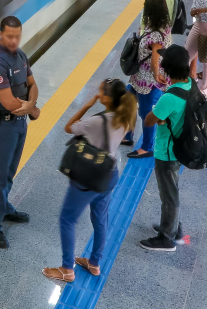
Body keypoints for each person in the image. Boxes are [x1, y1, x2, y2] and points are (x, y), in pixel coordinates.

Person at [43, 78, 138, 283]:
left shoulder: (96, 121)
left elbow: (69, 127)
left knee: (67, 220)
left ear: (106, 98)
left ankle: (67, 269)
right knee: (100, 219)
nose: (98, 93)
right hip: (109, 173)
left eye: (101, 91)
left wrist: (87, 105)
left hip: (89, 175)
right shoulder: (125, 117)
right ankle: (94, 263)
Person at [0, 16, 38, 249]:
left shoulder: (20, 56)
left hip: (18, 124)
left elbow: (33, 85)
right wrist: (32, 109)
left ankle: (3, 207)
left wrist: (30, 106)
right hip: (2, 126)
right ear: (0, 34)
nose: (14, 40)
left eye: (17, 36)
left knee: (9, 171)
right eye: (9, 36)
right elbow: (7, 102)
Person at [139, 44, 193, 252]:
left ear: (168, 70)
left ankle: (167, 238)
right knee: (172, 190)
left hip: (167, 152)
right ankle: (174, 228)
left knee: (168, 195)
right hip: (179, 148)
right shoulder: (189, 85)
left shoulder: (169, 98)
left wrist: (157, 111)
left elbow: (149, 120)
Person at [125, 0, 172, 158]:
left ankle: (147, 147)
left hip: (147, 81)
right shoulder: (160, 24)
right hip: (139, 77)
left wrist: (155, 74)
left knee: (146, 113)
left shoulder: (157, 35)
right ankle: (128, 134)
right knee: (128, 102)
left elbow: (155, 61)